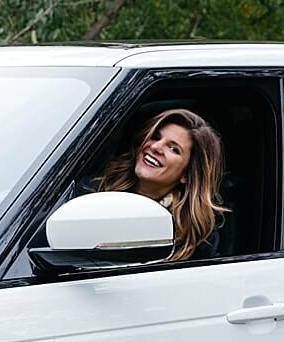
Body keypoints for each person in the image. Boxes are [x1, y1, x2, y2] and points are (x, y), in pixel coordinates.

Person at [95, 107, 227, 261]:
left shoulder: (196, 237)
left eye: (173, 149)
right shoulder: (94, 191)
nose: (156, 147)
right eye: (156, 137)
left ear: (187, 174)